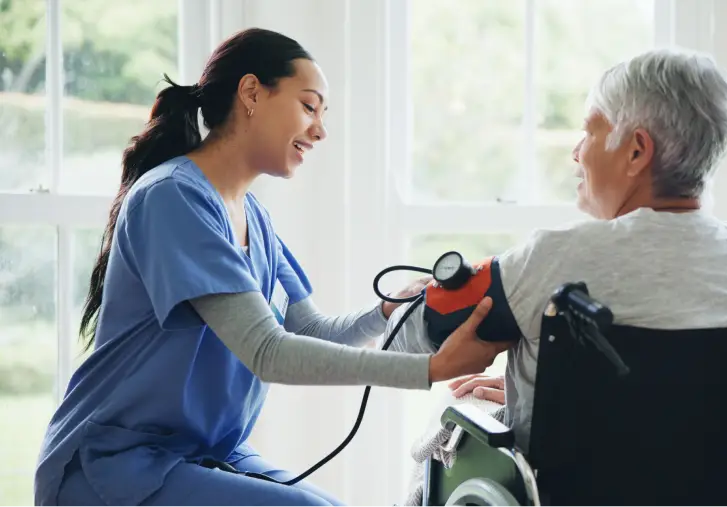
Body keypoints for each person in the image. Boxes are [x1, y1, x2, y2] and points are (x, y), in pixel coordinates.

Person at [33, 28, 509, 507]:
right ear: (252, 93)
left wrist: (385, 312)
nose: (320, 130)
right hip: (113, 463)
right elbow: (267, 351)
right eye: (309, 106)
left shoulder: (253, 217)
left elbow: (311, 330)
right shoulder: (173, 196)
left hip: (201, 454)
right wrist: (432, 369)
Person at [384, 47, 727, 456]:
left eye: (590, 132)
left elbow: (407, 338)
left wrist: (400, 306)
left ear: (636, 151)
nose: (576, 153)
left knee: (457, 411)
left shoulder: (556, 262)